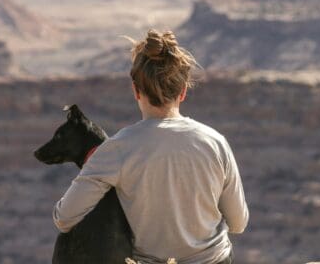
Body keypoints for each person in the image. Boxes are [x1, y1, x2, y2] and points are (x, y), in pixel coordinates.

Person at [53, 29, 249, 264]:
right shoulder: (215, 143)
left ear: (136, 90)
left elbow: (64, 218)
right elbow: (238, 223)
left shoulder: (117, 149)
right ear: (183, 91)